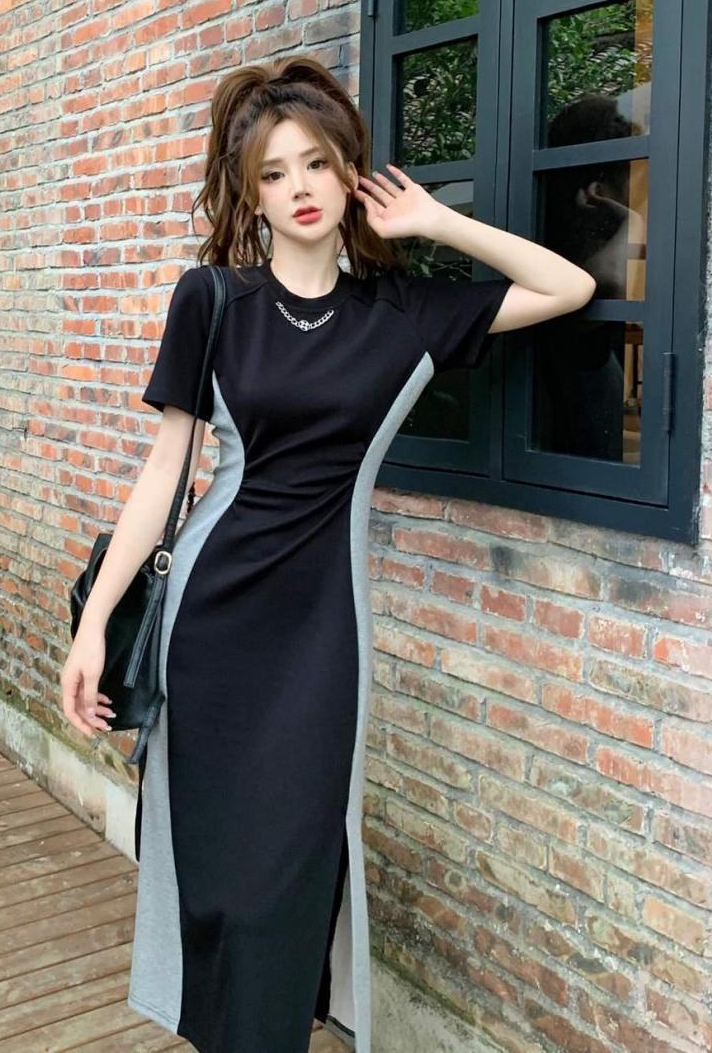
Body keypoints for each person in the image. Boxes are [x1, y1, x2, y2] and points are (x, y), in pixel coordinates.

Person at [61, 55, 595, 1053]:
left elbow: (567, 285)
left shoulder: (402, 313)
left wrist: (433, 223)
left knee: (294, 873)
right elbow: (164, 473)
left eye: (316, 163)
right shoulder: (212, 299)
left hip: (321, 638)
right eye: (273, 172)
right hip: (210, 624)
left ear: (349, 170)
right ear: (250, 194)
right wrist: (93, 628)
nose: (299, 188)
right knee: (219, 879)